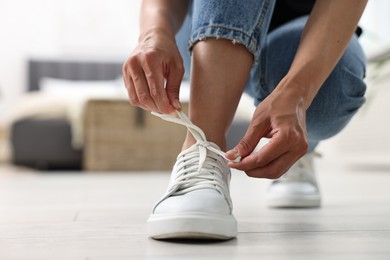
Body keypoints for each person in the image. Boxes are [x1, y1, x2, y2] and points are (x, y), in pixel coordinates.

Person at [122, 0, 368, 240]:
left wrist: (298, 93)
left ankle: (290, 148)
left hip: (302, 30)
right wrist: (154, 33)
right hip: (207, 24)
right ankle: (202, 154)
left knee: (335, 86)